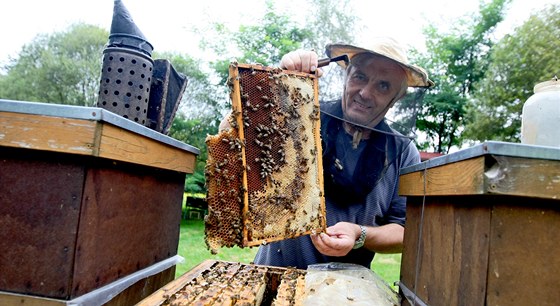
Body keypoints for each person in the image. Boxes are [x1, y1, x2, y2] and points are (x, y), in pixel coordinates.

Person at [250, 37, 434, 269]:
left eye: (383, 85)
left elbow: (404, 231)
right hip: (273, 271)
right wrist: (282, 81)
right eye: (360, 77)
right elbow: (237, 137)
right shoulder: (301, 116)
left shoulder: (403, 153)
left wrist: (360, 234)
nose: (366, 93)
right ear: (346, 77)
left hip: (343, 292)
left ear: (395, 98)